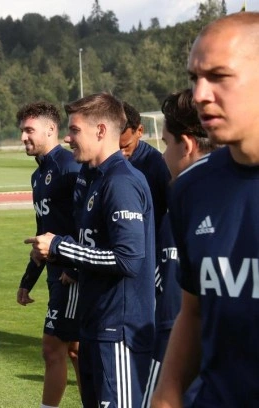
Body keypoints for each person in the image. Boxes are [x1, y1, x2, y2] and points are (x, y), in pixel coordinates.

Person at [151, 12, 259, 408]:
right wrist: (167, 394)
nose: (199, 94)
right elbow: (194, 311)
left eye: (218, 76)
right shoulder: (191, 189)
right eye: (195, 77)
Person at [25, 93, 155, 408]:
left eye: (74, 130)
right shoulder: (93, 178)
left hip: (118, 331)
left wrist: (60, 246)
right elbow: (92, 246)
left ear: (100, 131)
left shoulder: (121, 182)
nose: (67, 138)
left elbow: (128, 259)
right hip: (95, 325)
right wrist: (57, 253)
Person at [141, 90, 219, 406]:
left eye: (165, 144)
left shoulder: (185, 200)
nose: (163, 157)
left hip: (174, 348)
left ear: (186, 145)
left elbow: (180, 313)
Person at [15, 102, 81, 408]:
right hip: (57, 273)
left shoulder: (70, 167)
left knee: (53, 347)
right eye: (22, 131)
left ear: (51, 129)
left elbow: (87, 223)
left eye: (29, 130)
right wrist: (28, 280)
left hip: (72, 276)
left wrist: (76, 268)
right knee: (75, 350)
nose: (23, 137)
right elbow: (43, 233)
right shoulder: (37, 176)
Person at [120, 101, 171, 231]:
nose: (121, 153)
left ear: (140, 131)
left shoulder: (157, 163)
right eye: (116, 147)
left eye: (126, 146)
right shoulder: (104, 162)